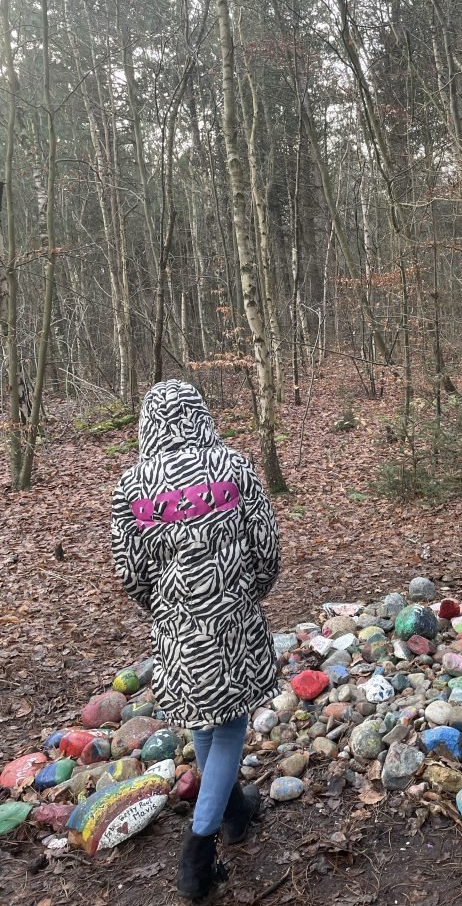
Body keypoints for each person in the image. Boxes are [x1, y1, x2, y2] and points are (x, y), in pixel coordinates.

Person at [112, 380, 280, 901]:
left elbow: (130, 572)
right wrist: (244, 592)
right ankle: (198, 851)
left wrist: (166, 608)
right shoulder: (234, 468)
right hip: (232, 616)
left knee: (208, 718)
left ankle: (233, 813)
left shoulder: (133, 487)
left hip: (177, 626)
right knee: (228, 722)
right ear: (199, 415)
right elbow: (266, 549)